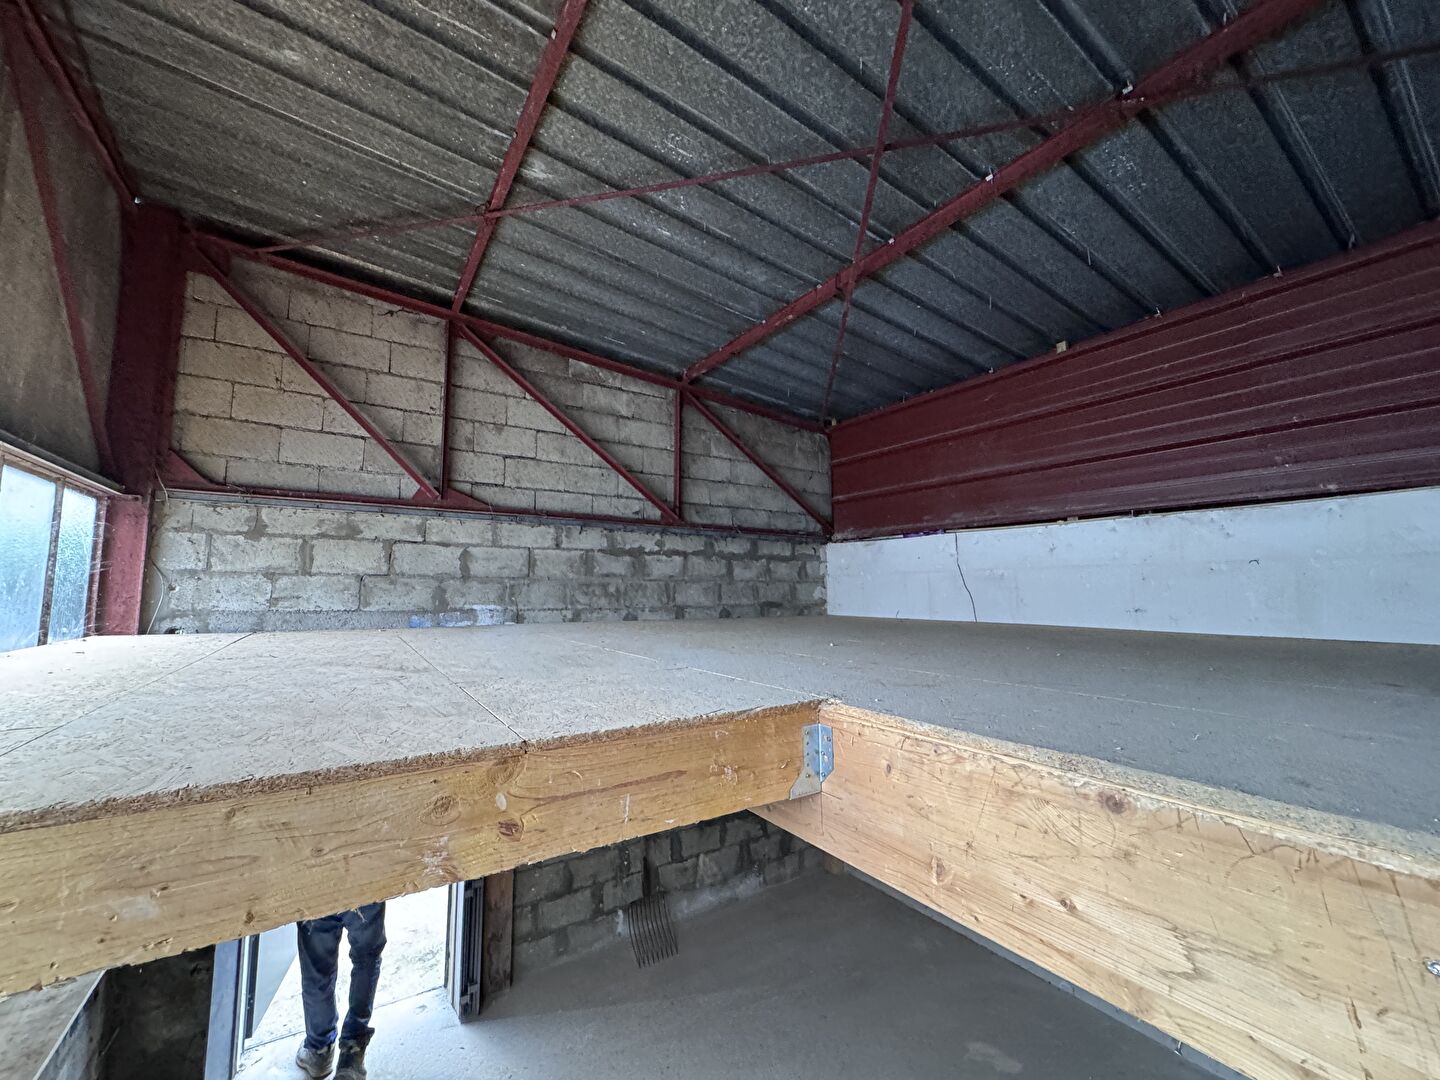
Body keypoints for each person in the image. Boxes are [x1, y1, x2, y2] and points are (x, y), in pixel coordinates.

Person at [293, 902, 386, 1080]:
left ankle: (320, 1050)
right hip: (363, 891)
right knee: (367, 958)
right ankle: (352, 1052)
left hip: (316, 891)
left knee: (317, 969)